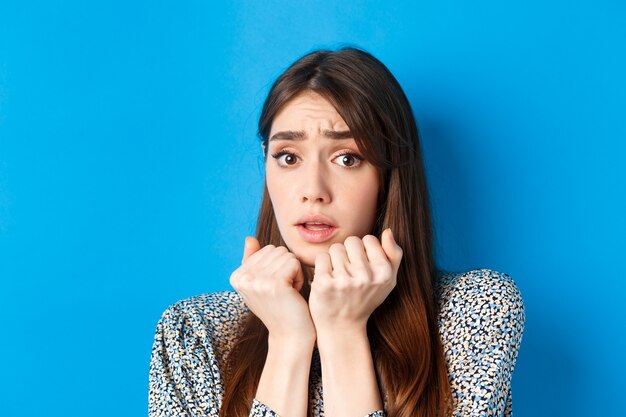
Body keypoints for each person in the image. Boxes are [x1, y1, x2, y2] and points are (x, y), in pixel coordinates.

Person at [148, 47, 525, 417]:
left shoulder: (474, 310)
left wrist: (343, 332)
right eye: (289, 157)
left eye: (347, 158)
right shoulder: (194, 333)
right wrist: (287, 341)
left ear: (388, 177)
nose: (313, 189)